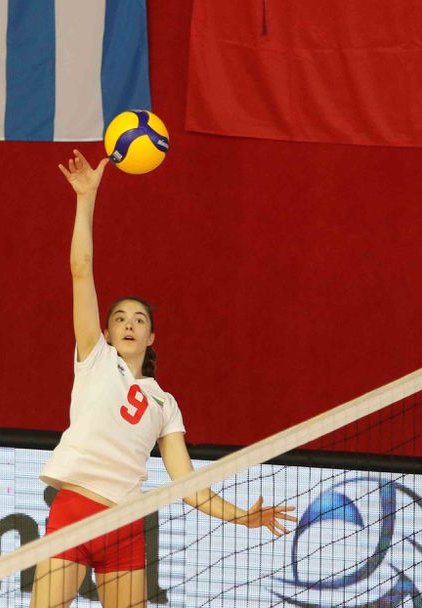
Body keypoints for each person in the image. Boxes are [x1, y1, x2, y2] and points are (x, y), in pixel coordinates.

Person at [30, 150, 296, 608]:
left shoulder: (165, 404)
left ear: (151, 336)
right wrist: (86, 199)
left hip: (124, 524)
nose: (128, 324)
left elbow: (186, 485)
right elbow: (81, 271)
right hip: (74, 512)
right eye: (119, 318)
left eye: (139, 320)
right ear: (107, 332)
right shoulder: (94, 359)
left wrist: (241, 518)